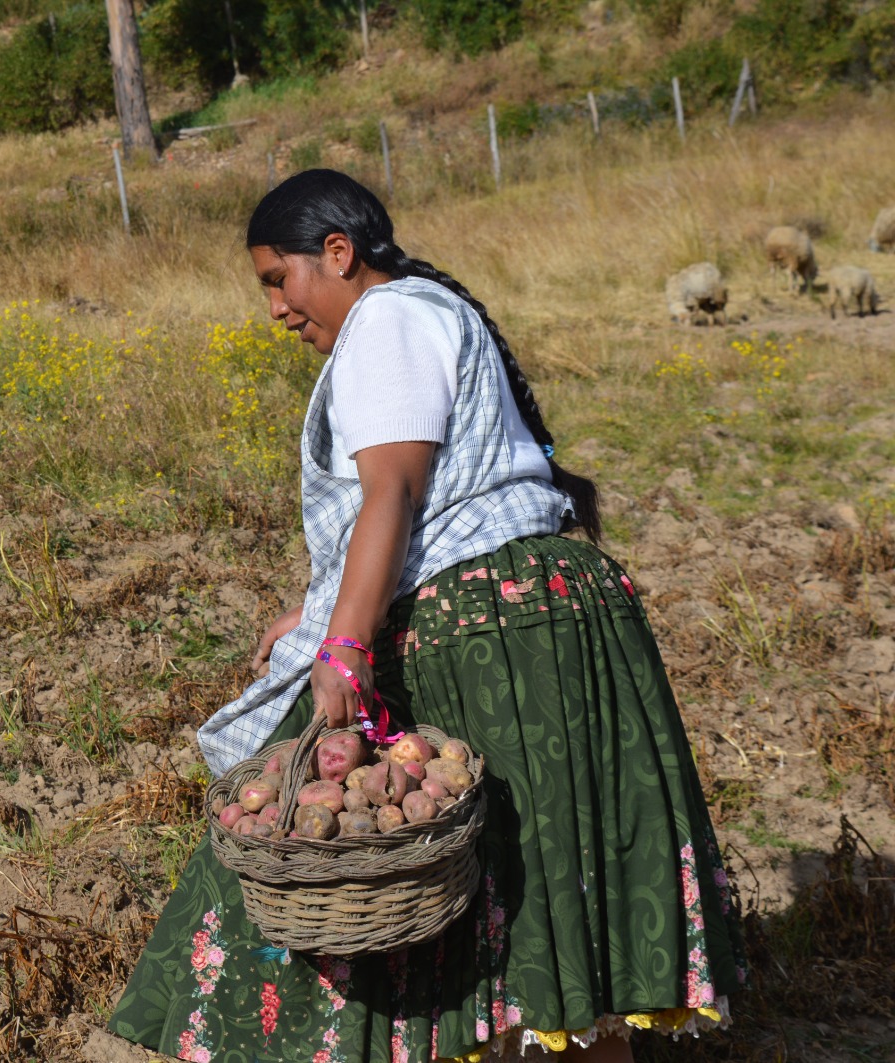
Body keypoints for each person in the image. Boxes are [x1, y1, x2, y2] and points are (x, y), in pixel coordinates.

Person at [107, 170, 745, 1062]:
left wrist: (342, 641)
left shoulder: (390, 320)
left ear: (337, 253)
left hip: (504, 634)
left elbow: (395, 494)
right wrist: (320, 603)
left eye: (276, 279)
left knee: (525, 910)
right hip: (550, 613)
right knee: (561, 906)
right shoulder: (418, 313)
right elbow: (438, 502)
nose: (277, 309)